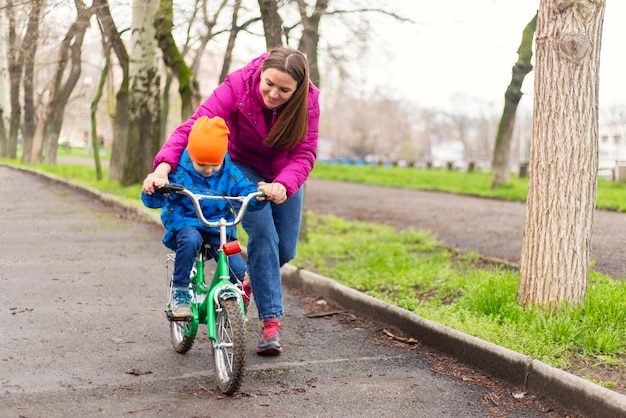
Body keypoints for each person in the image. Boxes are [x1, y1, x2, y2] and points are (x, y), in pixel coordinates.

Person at [142, 46, 320, 356]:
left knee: (285, 249)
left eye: (284, 90)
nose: (274, 93)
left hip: (283, 173)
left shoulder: (309, 103)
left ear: (299, 89)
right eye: (269, 84)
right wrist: (163, 167)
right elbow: (195, 126)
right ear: (261, 73)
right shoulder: (237, 85)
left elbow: (304, 153)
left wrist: (283, 184)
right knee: (264, 234)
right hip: (241, 170)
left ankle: (249, 281)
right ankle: (270, 324)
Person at [141, 116, 270, 318]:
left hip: (219, 226)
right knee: (191, 239)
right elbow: (152, 201)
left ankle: (234, 305)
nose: (209, 170)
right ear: (191, 155)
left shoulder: (229, 171)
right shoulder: (177, 171)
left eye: (214, 165)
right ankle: (181, 289)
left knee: (238, 268)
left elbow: (244, 190)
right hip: (186, 221)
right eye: (201, 165)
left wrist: (259, 195)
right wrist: (156, 189)